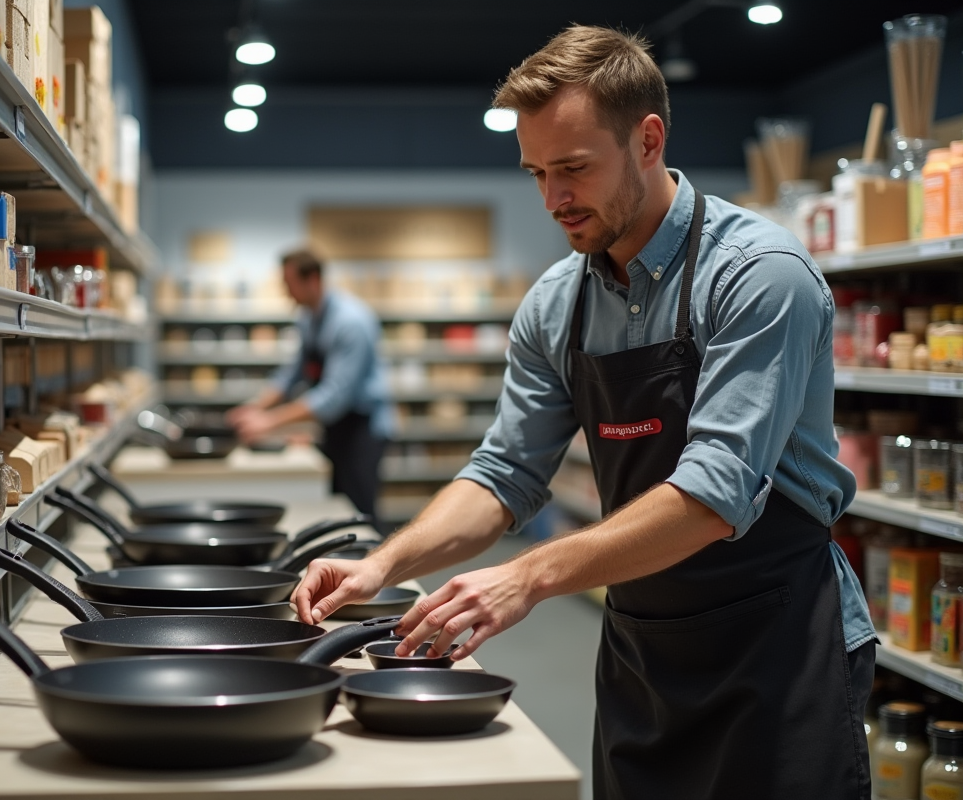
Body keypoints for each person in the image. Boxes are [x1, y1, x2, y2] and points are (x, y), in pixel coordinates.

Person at [292, 24, 874, 800]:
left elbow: (715, 494)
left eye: (573, 168)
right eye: (537, 173)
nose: (553, 200)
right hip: (644, 648)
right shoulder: (556, 304)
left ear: (648, 140)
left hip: (778, 648)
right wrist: (382, 565)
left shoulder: (759, 277)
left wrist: (529, 575)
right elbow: (505, 473)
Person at [228, 248, 392, 520]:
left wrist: (268, 422)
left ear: (312, 279)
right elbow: (293, 374)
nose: (286, 293)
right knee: (337, 506)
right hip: (335, 427)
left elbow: (334, 396)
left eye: (289, 284)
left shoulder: (351, 322)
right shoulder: (308, 318)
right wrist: (255, 407)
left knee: (359, 509)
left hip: (362, 429)